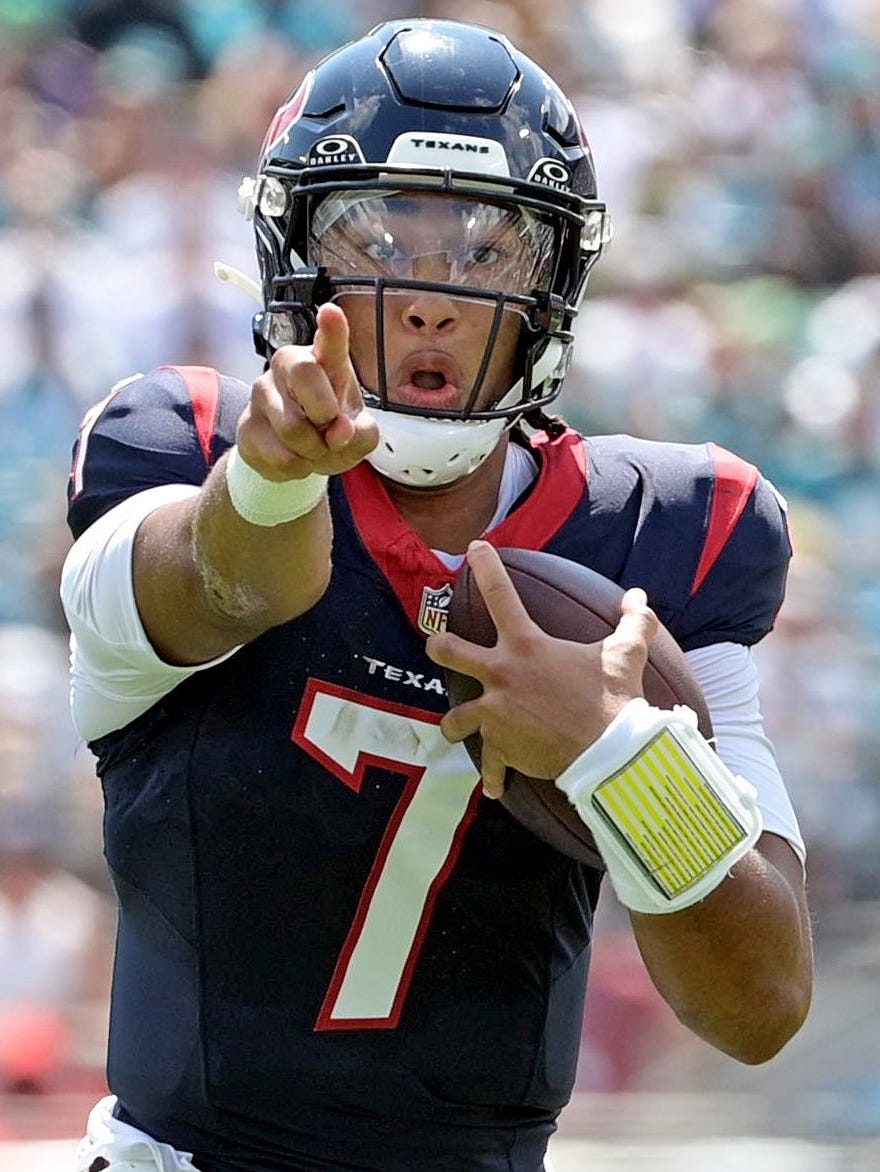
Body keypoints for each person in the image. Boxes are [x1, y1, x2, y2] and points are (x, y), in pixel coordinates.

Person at [61, 18, 813, 1172]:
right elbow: (233, 582)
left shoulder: (665, 539)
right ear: (295, 255)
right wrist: (266, 477)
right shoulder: (177, 445)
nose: (427, 296)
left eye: (485, 249)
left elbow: (761, 1001)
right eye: (378, 235)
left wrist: (620, 758)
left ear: (553, 280)